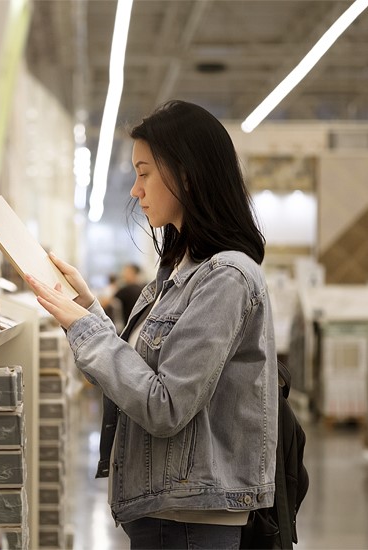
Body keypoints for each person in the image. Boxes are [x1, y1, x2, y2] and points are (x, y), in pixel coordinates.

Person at [26, 100, 278, 549]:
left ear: (185, 174)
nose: (135, 190)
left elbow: (165, 406)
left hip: (189, 518)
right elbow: (134, 377)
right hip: (169, 509)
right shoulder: (179, 272)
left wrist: (86, 329)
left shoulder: (226, 277)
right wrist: (86, 310)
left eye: (144, 172)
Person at [113, 263, 143, 327]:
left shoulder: (126, 290)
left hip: (129, 327)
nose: (123, 274)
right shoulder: (143, 288)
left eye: (126, 272)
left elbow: (106, 302)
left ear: (133, 273)